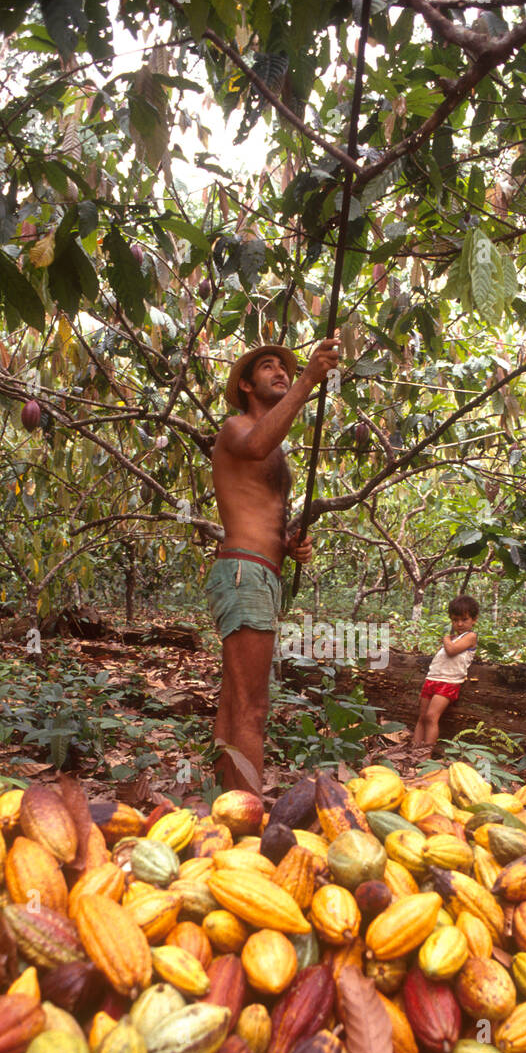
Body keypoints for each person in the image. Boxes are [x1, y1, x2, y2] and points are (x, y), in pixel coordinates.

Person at [205, 337, 340, 793]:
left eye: (286, 367)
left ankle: (224, 806)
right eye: (268, 367)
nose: (281, 372)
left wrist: (288, 545)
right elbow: (258, 445)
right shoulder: (235, 428)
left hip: (261, 571)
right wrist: (309, 380)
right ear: (244, 384)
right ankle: (245, 818)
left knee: (234, 701)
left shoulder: (275, 446)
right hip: (243, 572)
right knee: (253, 707)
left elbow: (261, 515)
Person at [412, 595, 479, 749]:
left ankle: (426, 753)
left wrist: (446, 639)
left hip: (449, 682)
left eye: (464, 619)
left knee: (431, 716)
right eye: (455, 620)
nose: (459, 624)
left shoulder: (470, 636)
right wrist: (449, 639)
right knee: (421, 717)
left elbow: (451, 651)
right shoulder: (453, 638)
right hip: (432, 679)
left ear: (474, 620)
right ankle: (413, 751)